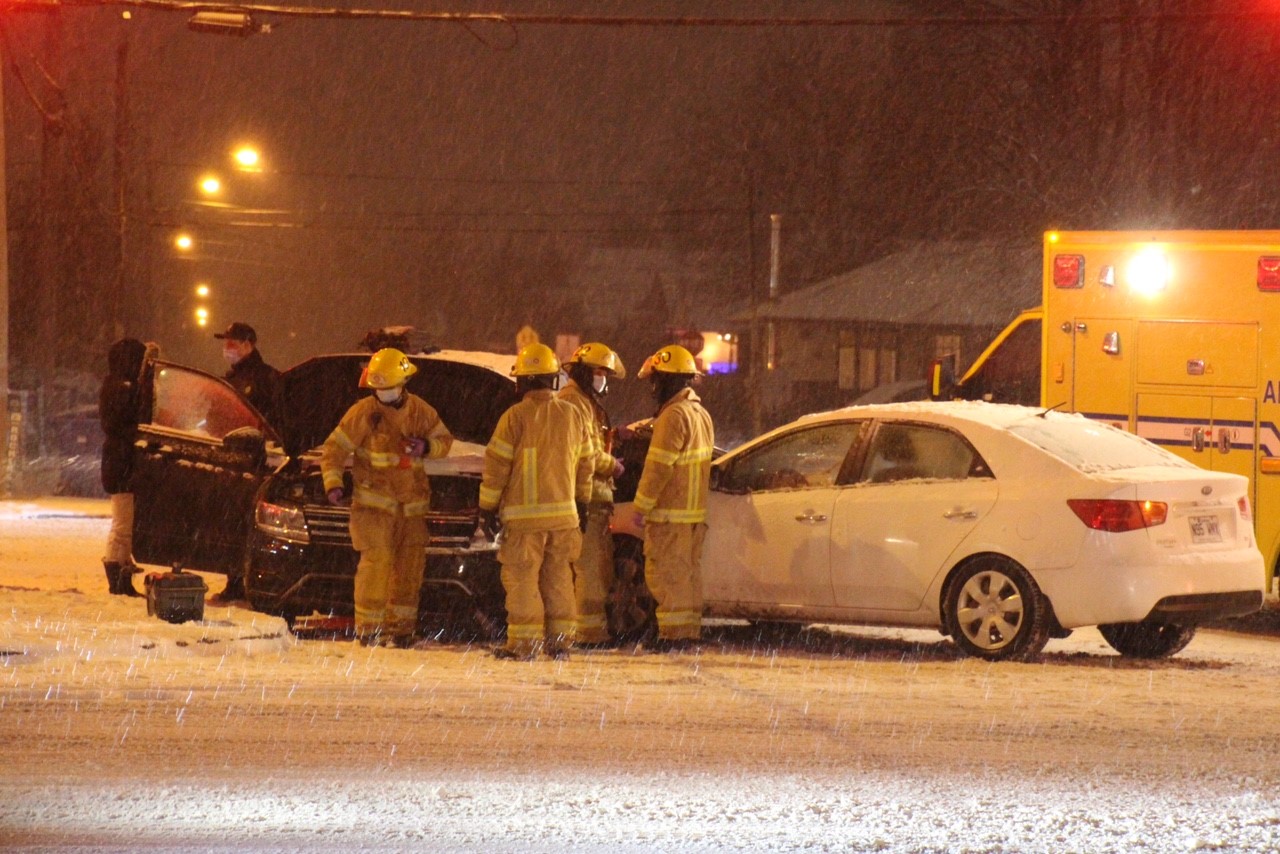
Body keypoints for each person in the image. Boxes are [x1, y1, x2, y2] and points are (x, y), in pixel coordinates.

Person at [319, 348, 454, 648]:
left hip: (411, 509)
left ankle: (402, 630)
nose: (384, 394)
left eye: (388, 387)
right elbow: (334, 450)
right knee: (375, 568)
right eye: (378, 389)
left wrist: (426, 448)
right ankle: (369, 631)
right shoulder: (363, 413)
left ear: (403, 382)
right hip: (373, 507)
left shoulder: (421, 411)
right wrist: (333, 483)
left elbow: (445, 441)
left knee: (409, 569)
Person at [478, 343, 593, 661]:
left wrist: (486, 508)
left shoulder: (515, 417)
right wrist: (582, 503)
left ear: (524, 381)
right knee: (558, 578)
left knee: (522, 579)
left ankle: (526, 644)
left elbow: (496, 468)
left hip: (524, 520)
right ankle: (560, 643)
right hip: (564, 518)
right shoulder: (572, 415)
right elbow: (586, 464)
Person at [633, 344, 715, 653]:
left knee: (666, 576)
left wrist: (640, 507)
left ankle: (673, 636)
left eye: (655, 380)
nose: (652, 387)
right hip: (693, 515)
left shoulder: (673, 416)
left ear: (666, 380)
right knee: (687, 577)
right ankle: (687, 632)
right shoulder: (700, 414)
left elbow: (658, 469)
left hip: (669, 515)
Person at [558, 342, 627, 646]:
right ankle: (588, 634)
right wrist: (613, 466)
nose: (603, 379)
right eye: (600, 372)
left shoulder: (582, 401)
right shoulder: (574, 402)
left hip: (591, 498)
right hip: (584, 498)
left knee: (594, 568)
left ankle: (588, 631)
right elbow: (585, 454)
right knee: (589, 570)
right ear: (585, 373)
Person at [98, 337, 149, 597]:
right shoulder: (124, 387)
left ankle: (121, 573)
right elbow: (126, 423)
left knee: (123, 524)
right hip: (122, 464)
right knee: (122, 526)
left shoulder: (115, 383)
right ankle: (118, 577)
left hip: (118, 462)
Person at [214, 321, 280, 426]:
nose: (226, 348)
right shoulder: (229, 379)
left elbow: (272, 419)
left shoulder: (266, 377)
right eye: (225, 344)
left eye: (231, 344)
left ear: (247, 345)